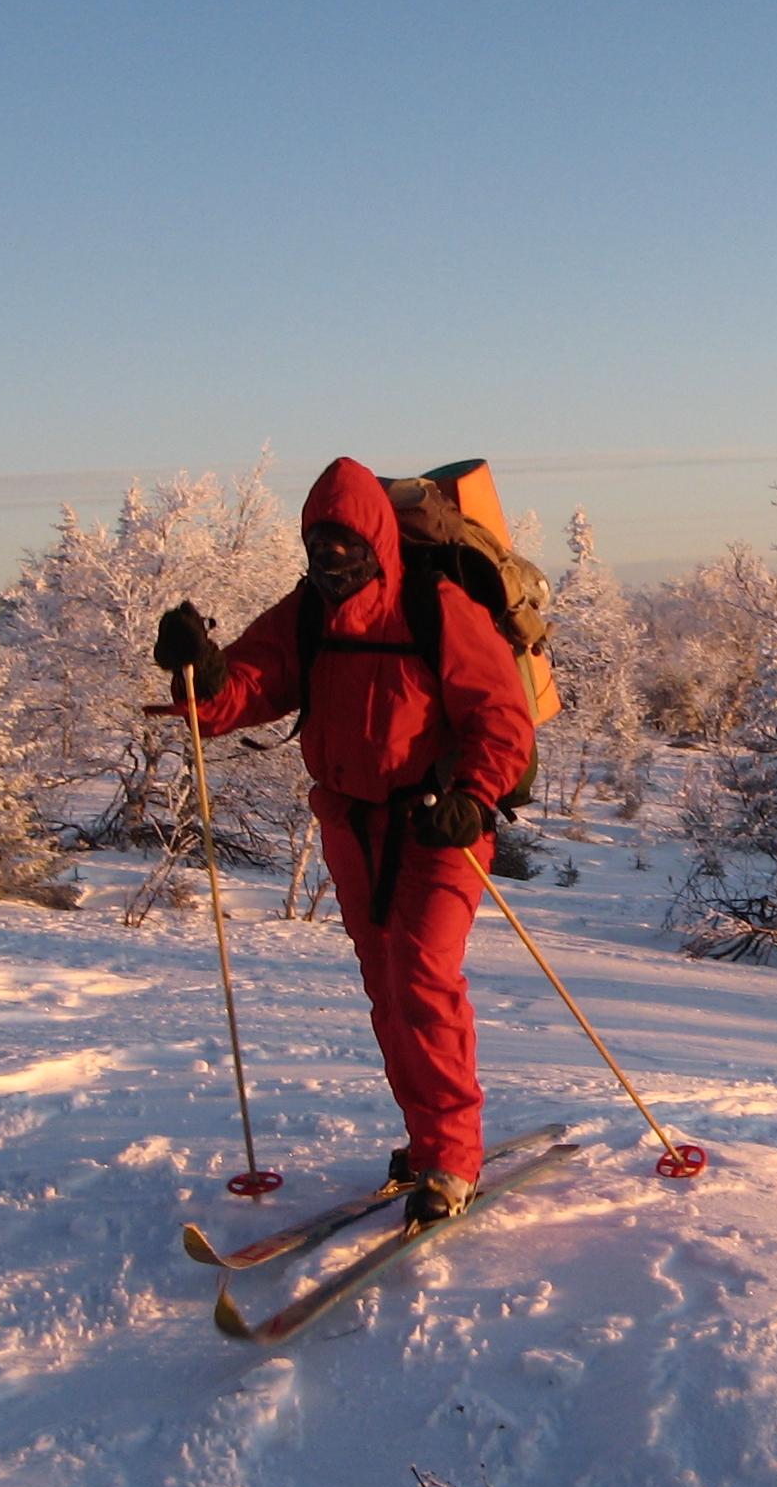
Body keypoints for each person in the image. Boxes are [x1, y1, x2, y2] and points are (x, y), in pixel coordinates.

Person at [151, 457, 536, 1224]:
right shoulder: (306, 614)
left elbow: (502, 717)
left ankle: (452, 1160)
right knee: (389, 989)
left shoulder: (436, 606)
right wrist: (201, 672)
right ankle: (428, 1142)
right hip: (350, 825)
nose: (330, 564)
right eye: (317, 548)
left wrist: (473, 796)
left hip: (439, 822)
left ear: (375, 543)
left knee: (424, 978)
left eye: (343, 548)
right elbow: (249, 689)